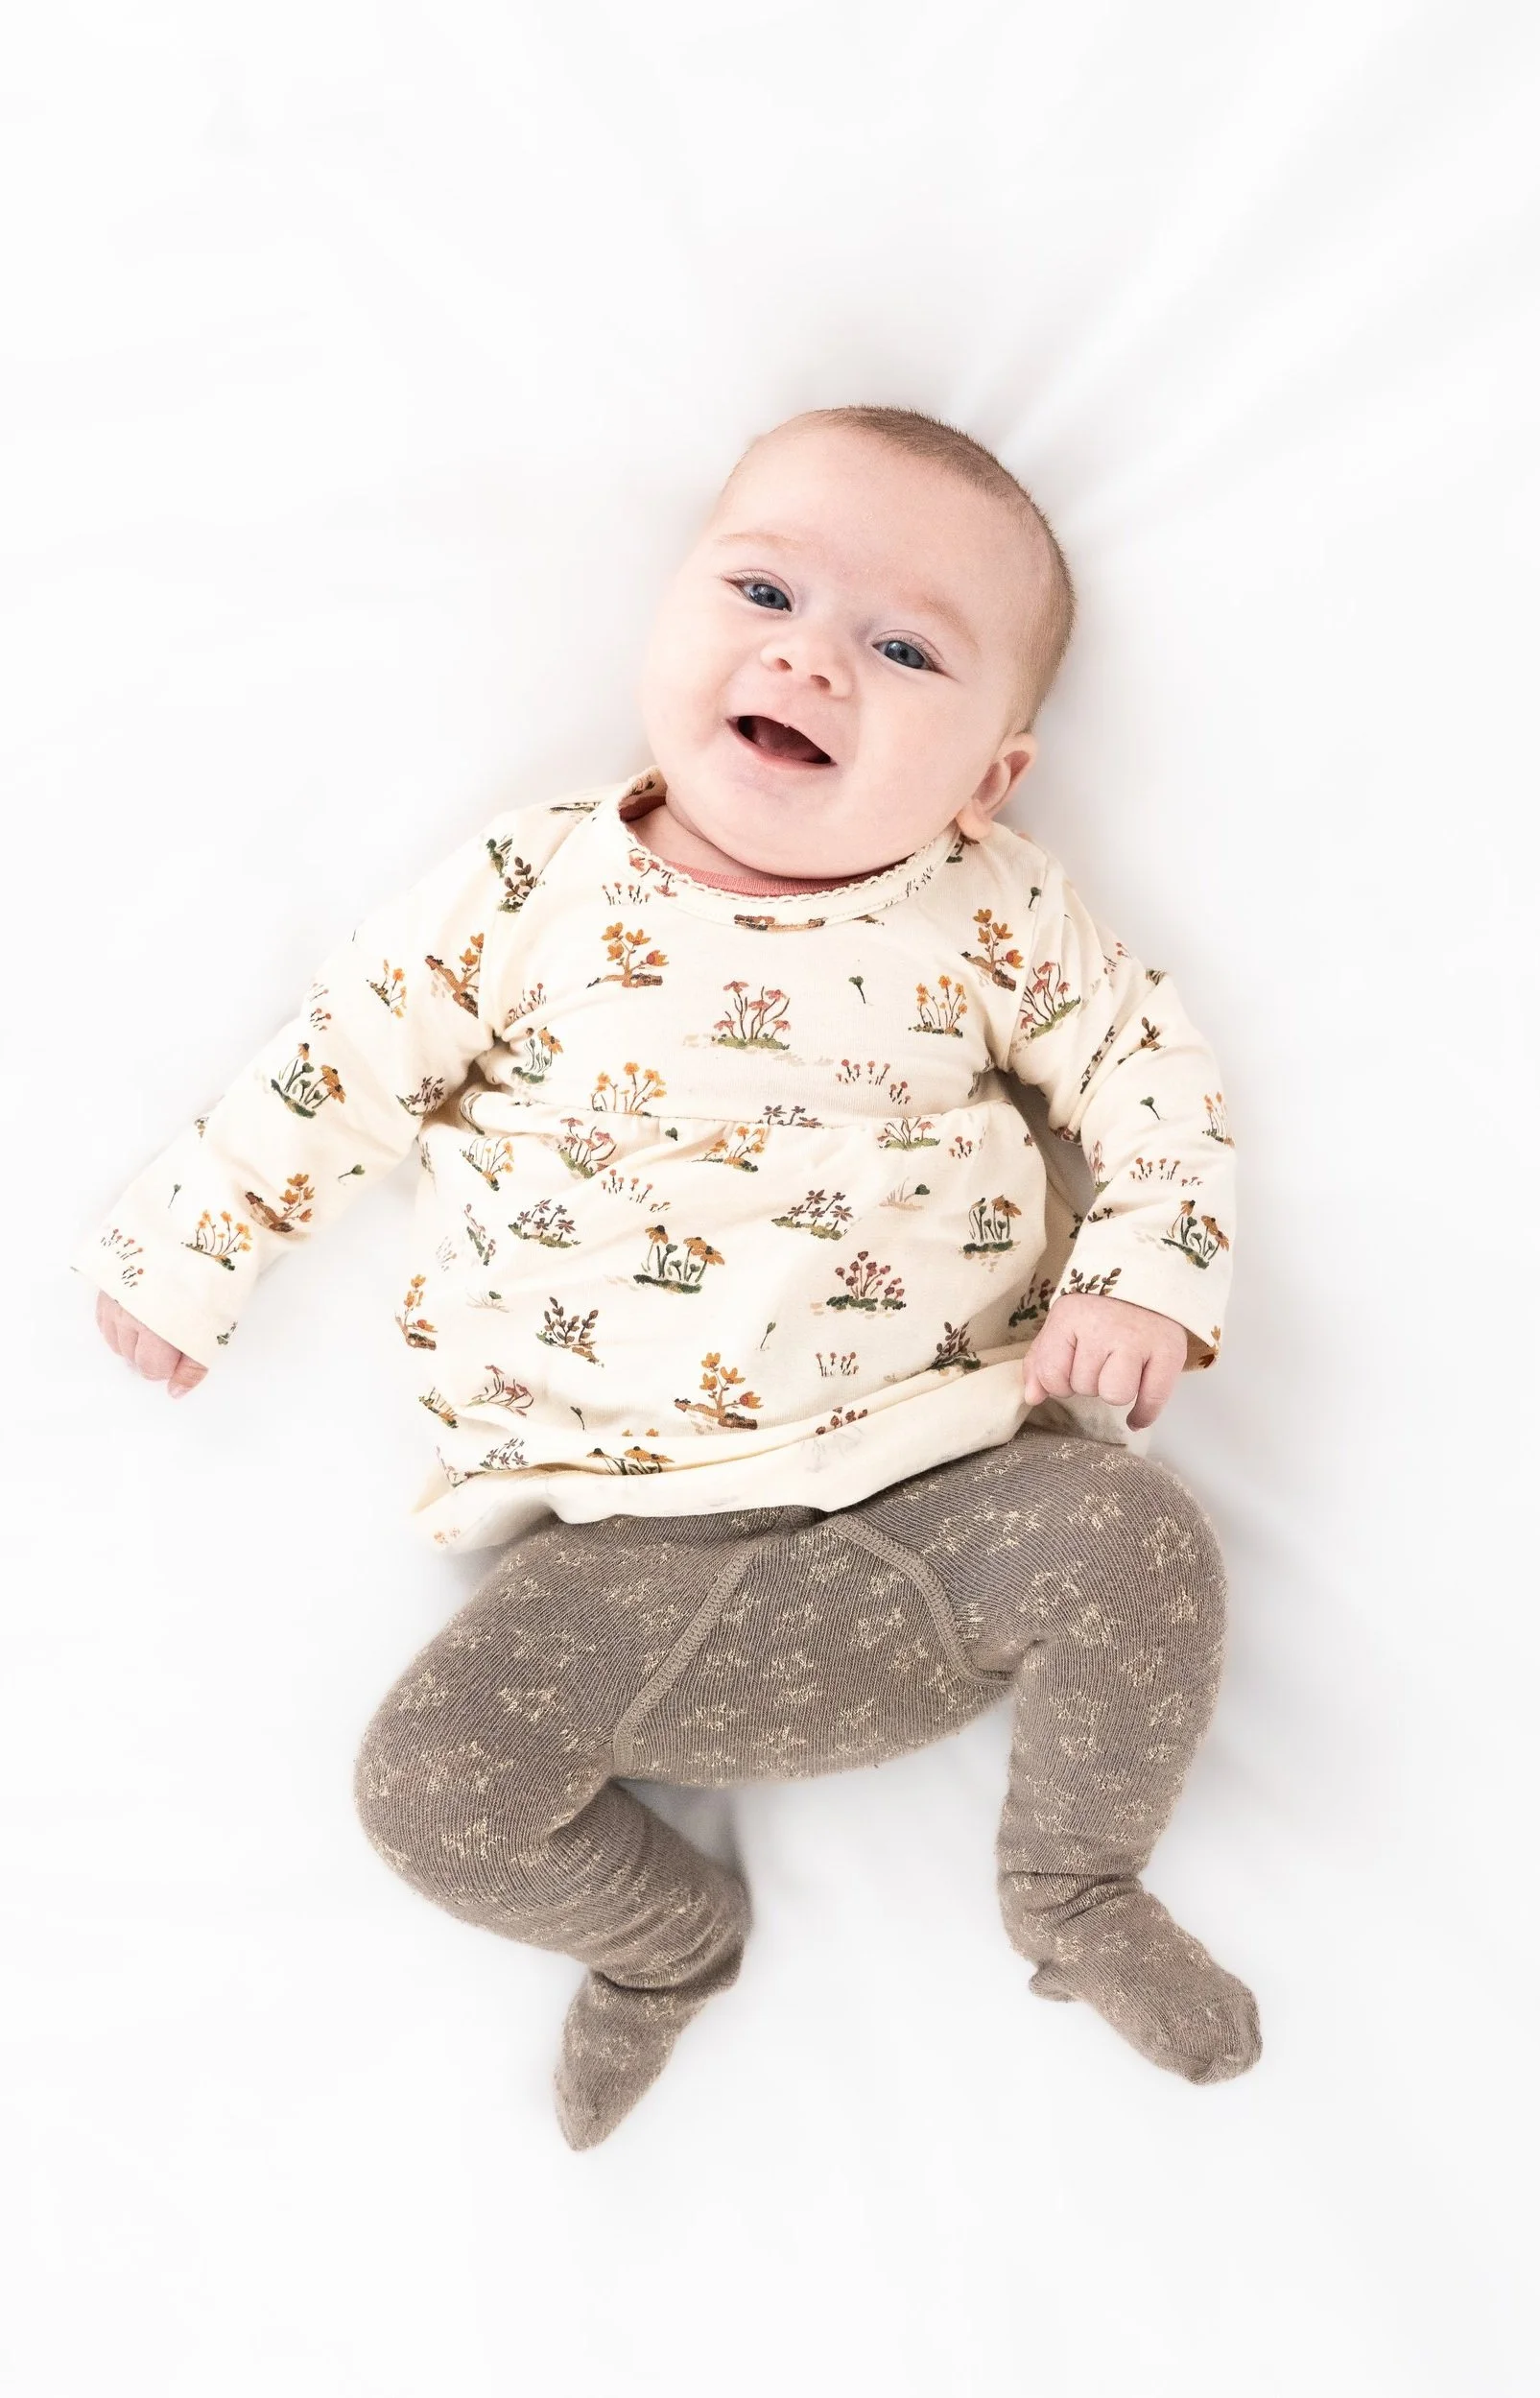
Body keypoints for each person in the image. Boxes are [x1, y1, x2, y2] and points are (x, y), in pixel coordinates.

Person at [76, 404, 1261, 2149]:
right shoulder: (527, 885)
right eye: (763, 591)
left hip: (943, 1506)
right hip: (622, 1571)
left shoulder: (991, 909)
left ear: (991, 776)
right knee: (426, 1790)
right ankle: (663, 1940)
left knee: (1140, 1536)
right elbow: (341, 1058)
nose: (811, 658)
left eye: (905, 648)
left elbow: (1148, 1069)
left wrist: (1146, 1271)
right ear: (667, 612)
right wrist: (195, 1240)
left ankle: (1073, 1885)